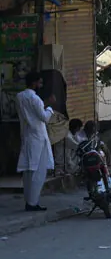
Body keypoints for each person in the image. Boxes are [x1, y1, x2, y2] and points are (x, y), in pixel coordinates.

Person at [16, 72, 55, 212]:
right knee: (38, 172)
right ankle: (33, 202)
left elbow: (32, 113)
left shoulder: (19, 97)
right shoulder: (35, 99)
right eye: (40, 83)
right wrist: (49, 107)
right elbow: (44, 117)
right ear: (34, 83)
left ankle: (29, 201)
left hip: (27, 136)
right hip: (38, 138)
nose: (41, 85)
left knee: (28, 171)